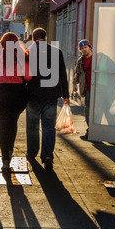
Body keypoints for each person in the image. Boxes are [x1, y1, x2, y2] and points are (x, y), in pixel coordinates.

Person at [0, 32, 31, 173]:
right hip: (18, 95)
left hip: (0, 95)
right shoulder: (22, 57)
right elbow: (28, 77)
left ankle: (5, 159)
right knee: (12, 124)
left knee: (3, 127)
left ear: (2, 43)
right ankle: (9, 153)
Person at [26, 27, 69, 171]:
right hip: (51, 96)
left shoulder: (28, 51)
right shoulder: (57, 52)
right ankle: (48, 155)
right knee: (48, 126)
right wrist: (66, 96)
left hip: (32, 96)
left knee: (32, 126)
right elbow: (63, 75)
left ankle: (32, 153)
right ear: (46, 38)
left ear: (33, 39)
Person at [73, 39, 93, 140]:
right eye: (82, 48)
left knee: (105, 110)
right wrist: (74, 84)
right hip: (87, 88)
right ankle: (91, 131)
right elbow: (77, 73)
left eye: (86, 47)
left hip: (99, 88)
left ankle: (112, 134)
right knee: (88, 110)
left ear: (90, 47)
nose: (84, 50)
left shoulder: (97, 58)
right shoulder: (81, 60)